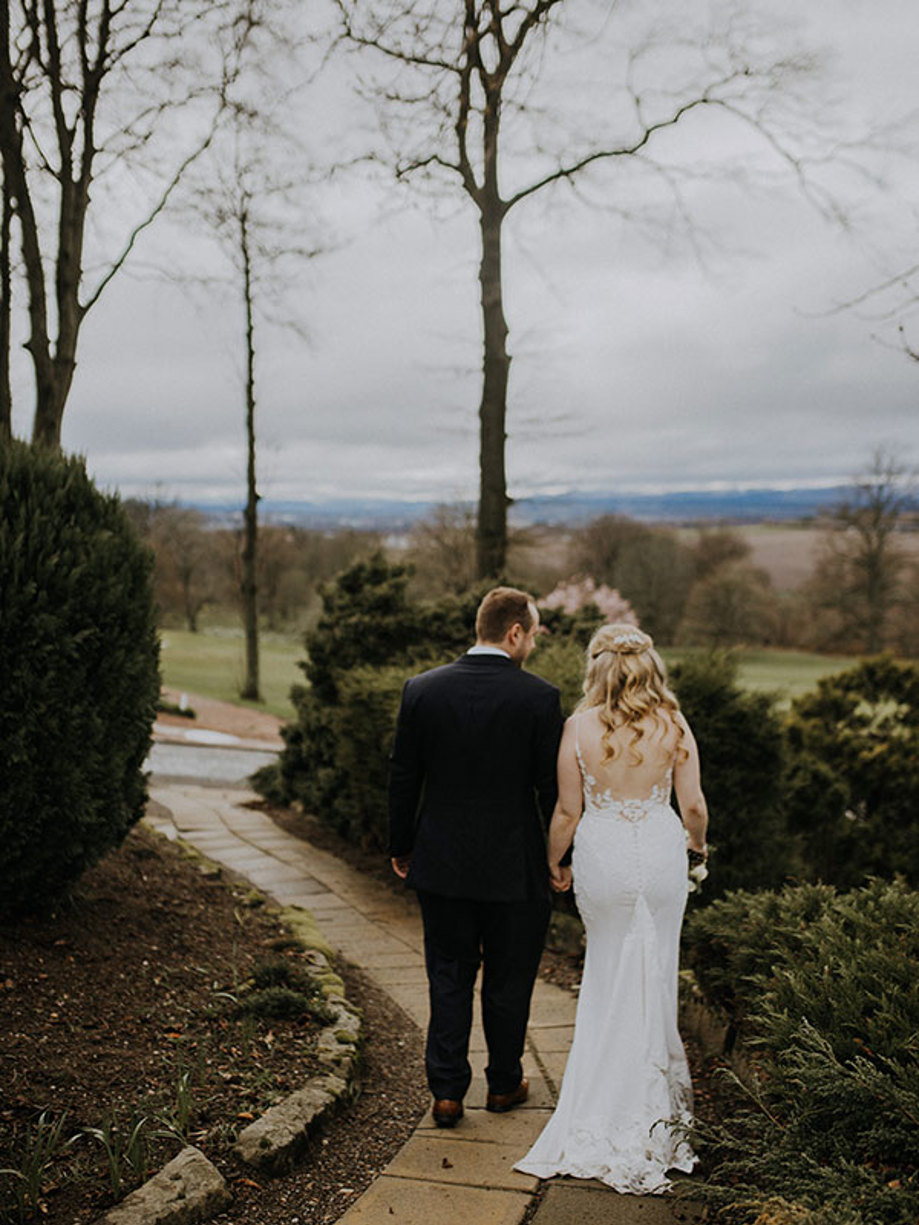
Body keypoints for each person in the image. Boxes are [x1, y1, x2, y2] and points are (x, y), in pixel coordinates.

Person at [515, 622, 708, 1193]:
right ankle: (654, 1110)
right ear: (651, 667)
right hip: (660, 854)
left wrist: (554, 862)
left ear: (597, 667)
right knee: (657, 972)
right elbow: (693, 805)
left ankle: (601, 1101)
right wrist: (696, 848)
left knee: (606, 971)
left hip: (603, 859)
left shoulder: (576, 727)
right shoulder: (674, 724)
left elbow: (567, 814)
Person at [388, 586, 564, 1128]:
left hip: (440, 861)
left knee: (448, 974)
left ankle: (446, 1091)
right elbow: (552, 792)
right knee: (509, 978)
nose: (531, 643)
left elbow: (403, 777)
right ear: (514, 632)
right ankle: (504, 1083)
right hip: (514, 866)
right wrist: (561, 858)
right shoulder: (540, 698)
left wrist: (401, 845)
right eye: (531, 634)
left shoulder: (422, 690)